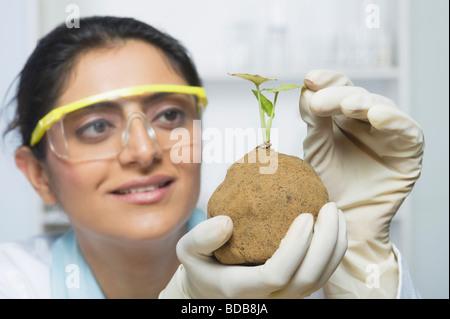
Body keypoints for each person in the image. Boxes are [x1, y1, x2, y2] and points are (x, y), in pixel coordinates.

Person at [0, 16, 422, 299]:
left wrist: (361, 261)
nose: (144, 150)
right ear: (38, 174)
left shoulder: (295, 270)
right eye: (96, 126)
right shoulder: (14, 283)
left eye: (168, 115)